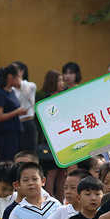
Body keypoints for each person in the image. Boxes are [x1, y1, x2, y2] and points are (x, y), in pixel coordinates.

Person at [39, 70, 66, 200]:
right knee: (52, 173)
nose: (62, 83)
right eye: (59, 80)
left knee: (62, 174)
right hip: (50, 141)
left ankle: (60, 202)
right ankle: (49, 202)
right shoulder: (45, 101)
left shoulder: (63, 97)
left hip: (63, 139)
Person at [0, 63, 25, 163]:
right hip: (6, 135)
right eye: (18, 77)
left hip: (16, 132)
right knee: (8, 162)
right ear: (10, 77)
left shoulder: (12, 91)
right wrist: (16, 112)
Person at [13, 62, 38, 153]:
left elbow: (25, 90)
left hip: (28, 122)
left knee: (30, 153)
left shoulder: (31, 85)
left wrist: (18, 79)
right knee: (17, 153)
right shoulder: (10, 89)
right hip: (15, 123)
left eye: (14, 70)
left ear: (22, 72)